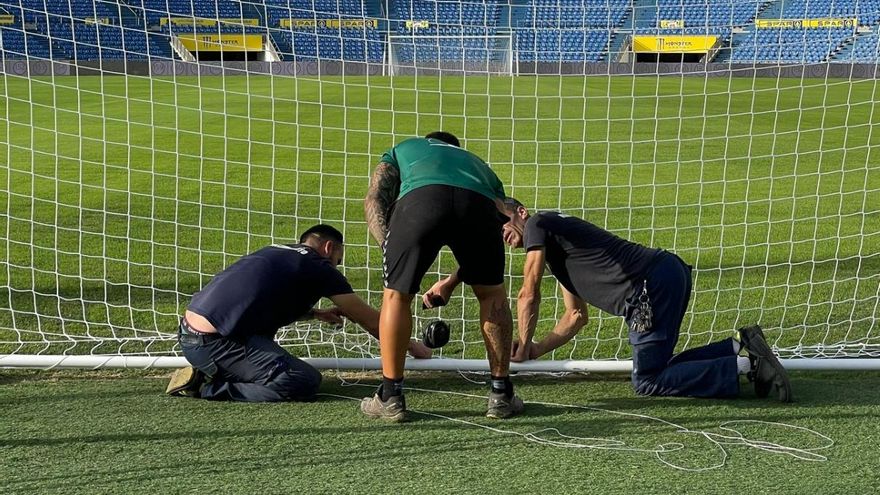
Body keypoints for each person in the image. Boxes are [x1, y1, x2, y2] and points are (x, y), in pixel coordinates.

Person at [428, 199, 792, 402]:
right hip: (666, 273)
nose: (503, 233)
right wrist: (537, 349)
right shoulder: (559, 249)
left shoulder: (539, 223)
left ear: (521, 212)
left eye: (505, 222)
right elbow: (575, 318)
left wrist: (520, 345)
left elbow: (528, 291)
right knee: (659, 366)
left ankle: (747, 368)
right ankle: (737, 348)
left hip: (648, 289)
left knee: (648, 381)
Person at [165, 224, 432, 402]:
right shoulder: (319, 267)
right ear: (329, 248)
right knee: (302, 380)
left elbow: (261, 300)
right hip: (215, 344)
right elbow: (367, 318)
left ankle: (212, 369)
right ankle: (207, 386)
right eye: (338, 259)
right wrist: (410, 346)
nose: (337, 265)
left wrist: (316, 314)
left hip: (191, 332)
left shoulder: (277, 251)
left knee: (266, 340)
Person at [360, 131, 524, 421]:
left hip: (420, 201)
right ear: (455, 149)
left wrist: (390, 246)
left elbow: (374, 198)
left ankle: (391, 395)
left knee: (397, 295)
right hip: (479, 204)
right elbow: (500, 214)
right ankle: (501, 393)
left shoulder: (405, 148)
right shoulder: (479, 164)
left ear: (429, 141)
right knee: (492, 294)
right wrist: (455, 279)